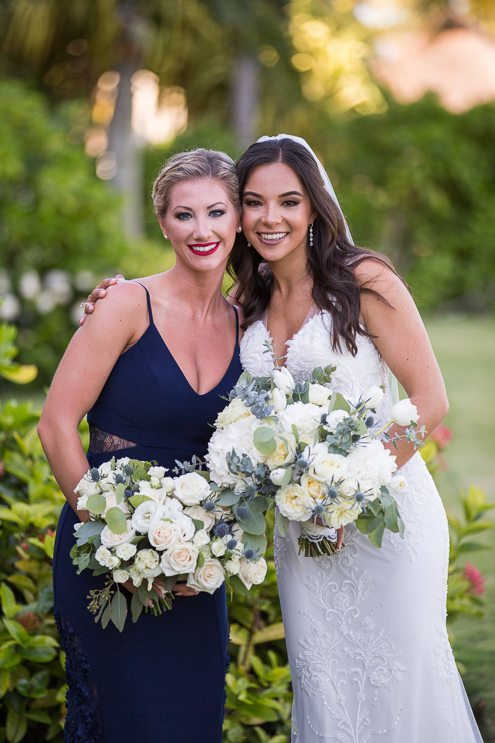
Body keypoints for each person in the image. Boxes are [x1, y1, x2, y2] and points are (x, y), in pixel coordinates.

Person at [83, 135, 484, 743]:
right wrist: (107, 302)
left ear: (315, 208)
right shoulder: (247, 302)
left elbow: (429, 403)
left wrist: (349, 491)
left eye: (289, 201)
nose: (272, 218)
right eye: (254, 202)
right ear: (239, 213)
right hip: (303, 535)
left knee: (400, 687)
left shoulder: (364, 279)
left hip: (386, 522)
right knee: (327, 693)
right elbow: (181, 329)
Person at [38, 148, 244, 743]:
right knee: (123, 722)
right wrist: (114, 539)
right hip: (105, 556)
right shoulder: (127, 304)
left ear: (237, 219)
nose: (201, 230)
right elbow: (57, 425)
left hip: (193, 570)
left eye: (215, 212)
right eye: (184, 215)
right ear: (163, 223)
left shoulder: (246, 324)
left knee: (192, 720)